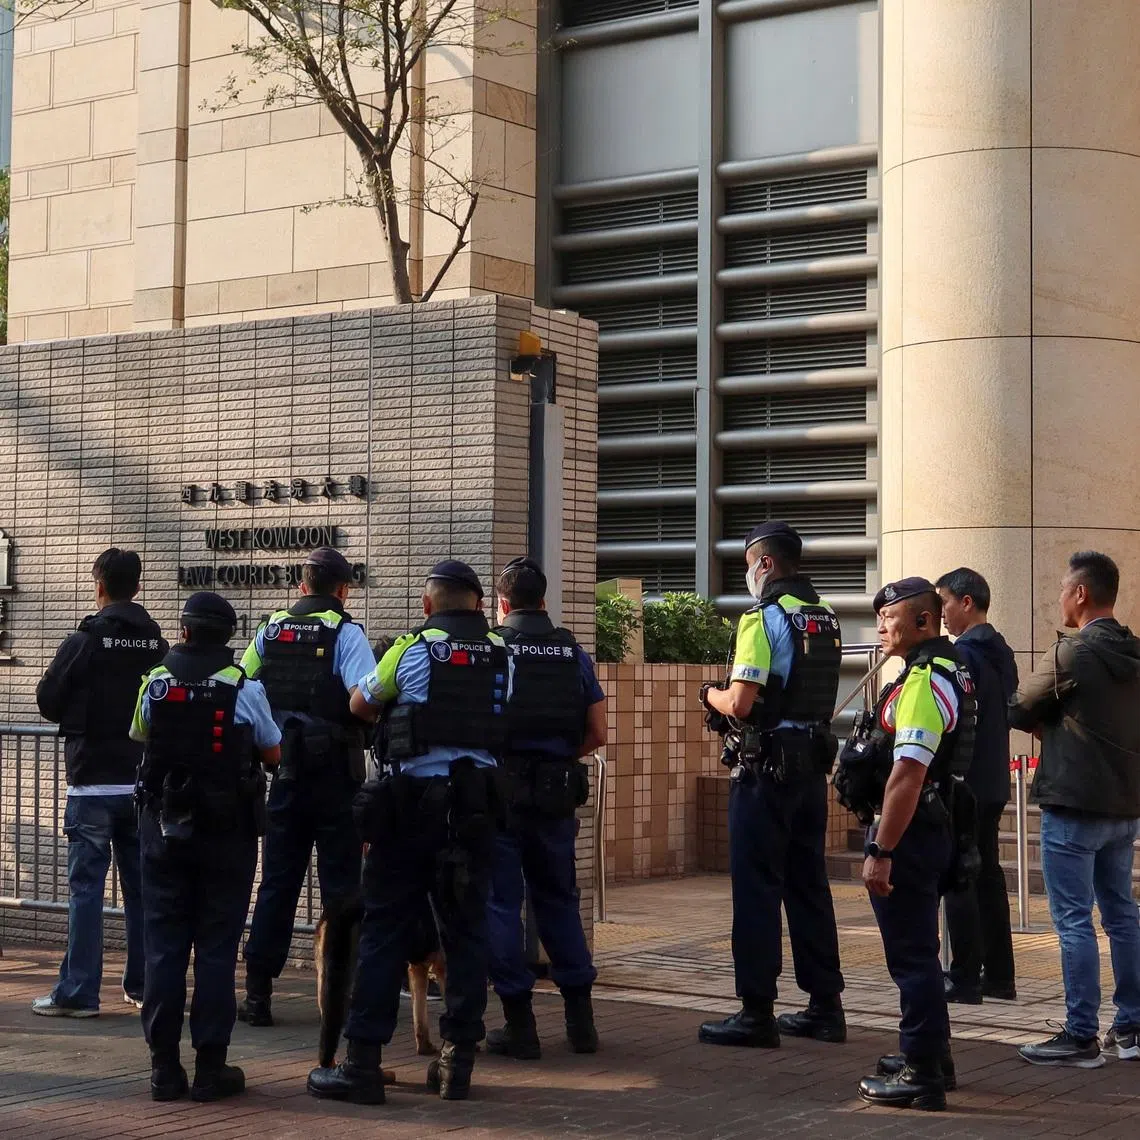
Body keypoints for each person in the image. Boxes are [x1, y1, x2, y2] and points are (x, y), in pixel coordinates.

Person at [307, 560, 509, 1104]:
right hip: (473, 812)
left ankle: (363, 1063)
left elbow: (359, 703)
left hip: (409, 811)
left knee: (385, 933)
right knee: (465, 935)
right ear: (479, 604)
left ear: (427, 605)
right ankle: (457, 1060)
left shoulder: (412, 649)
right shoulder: (502, 655)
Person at [697, 521, 846, 1049]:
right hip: (810, 769)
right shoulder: (824, 617)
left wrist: (710, 694)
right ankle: (825, 1006)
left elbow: (740, 702)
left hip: (765, 772)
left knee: (758, 887)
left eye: (747, 566)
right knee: (808, 884)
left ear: (763, 564)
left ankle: (755, 1012)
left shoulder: (762, 618)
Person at [131, 592, 281, 1101]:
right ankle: (210, 1070)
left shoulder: (155, 682)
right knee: (215, 951)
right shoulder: (243, 687)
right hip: (226, 836)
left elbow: (141, 734)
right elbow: (273, 750)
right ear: (227, 637)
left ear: (186, 631)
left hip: (164, 832)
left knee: (164, 950)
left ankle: (162, 1070)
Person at [839, 578, 976, 1112]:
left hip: (912, 831)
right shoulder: (944, 669)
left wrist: (880, 851)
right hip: (930, 825)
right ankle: (931, 1055)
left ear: (922, 621)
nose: (880, 626)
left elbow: (907, 774)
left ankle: (922, 1075)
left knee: (913, 956)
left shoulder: (924, 680)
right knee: (918, 950)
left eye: (888, 616)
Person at [1010, 551, 1140, 1067]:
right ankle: (1131, 1029)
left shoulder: (1071, 654)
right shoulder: (1136, 654)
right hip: (1125, 806)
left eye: (1064, 589)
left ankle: (1080, 1035)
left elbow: (1019, 706)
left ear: (1081, 594)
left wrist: (1052, 727)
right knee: (1124, 917)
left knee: (1073, 921)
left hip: (1073, 803)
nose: (1059, 598)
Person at [238, 547, 376, 1026]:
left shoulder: (271, 629)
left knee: (278, 882)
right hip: (336, 776)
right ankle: (347, 994)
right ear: (342, 590)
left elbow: (245, 681)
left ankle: (258, 995)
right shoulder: (346, 632)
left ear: (302, 586)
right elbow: (364, 696)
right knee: (342, 886)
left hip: (287, 775)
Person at [32, 548, 167, 1018]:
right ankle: (144, 985)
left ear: (100, 586)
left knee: (85, 889)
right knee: (141, 887)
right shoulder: (156, 642)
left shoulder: (85, 640)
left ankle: (79, 992)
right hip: (140, 783)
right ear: (138, 585)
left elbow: (48, 699)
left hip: (90, 781)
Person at [484, 557, 608, 1060]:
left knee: (500, 902)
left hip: (501, 793)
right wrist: (557, 758)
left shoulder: (495, 650)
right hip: (557, 793)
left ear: (503, 604)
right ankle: (582, 1025)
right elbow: (598, 734)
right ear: (544, 601)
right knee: (559, 900)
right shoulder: (572, 652)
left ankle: (520, 1025)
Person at [935, 568, 1018, 1004]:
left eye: (945, 602)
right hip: (993, 779)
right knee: (987, 875)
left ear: (967, 602)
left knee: (960, 875)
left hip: (965, 782)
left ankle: (964, 973)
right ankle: (1000, 976)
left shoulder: (962, 655)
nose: (941, 612)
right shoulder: (1002, 651)